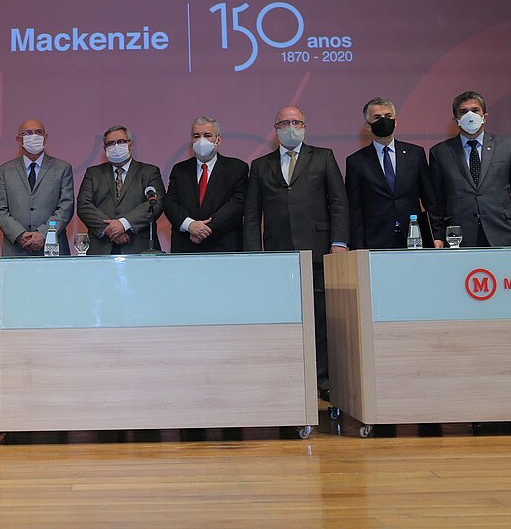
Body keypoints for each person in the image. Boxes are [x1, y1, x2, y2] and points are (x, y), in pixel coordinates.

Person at [243, 106, 348, 399]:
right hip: (277, 256)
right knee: (283, 318)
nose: (291, 127)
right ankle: (286, 378)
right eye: (285, 123)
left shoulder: (324, 157)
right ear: (275, 128)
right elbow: (252, 214)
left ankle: (322, 380)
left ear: (304, 126)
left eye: (296, 122)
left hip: (317, 251)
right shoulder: (260, 165)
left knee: (320, 319)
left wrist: (339, 241)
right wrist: (254, 255)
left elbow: (338, 202)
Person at [429, 91, 511, 247]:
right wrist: (437, 236)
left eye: (475, 110)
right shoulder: (440, 152)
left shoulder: (507, 147)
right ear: (456, 120)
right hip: (459, 235)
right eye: (463, 112)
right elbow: (436, 201)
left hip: (502, 230)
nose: (470, 115)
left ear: (484, 117)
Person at [345, 97, 439, 249]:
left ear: (395, 121)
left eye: (388, 116)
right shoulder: (356, 161)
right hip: (375, 241)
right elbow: (354, 210)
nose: (384, 121)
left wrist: (437, 235)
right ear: (368, 126)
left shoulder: (415, 154)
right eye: (377, 117)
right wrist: (358, 247)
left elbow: (430, 200)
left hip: (413, 237)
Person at [164, 116, 248, 253]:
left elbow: (237, 204)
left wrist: (203, 229)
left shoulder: (236, 168)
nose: (201, 140)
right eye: (196, 136)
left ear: (218, 140)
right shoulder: (179, 170)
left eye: (207, 135)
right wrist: (189, 225)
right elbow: (170, 203)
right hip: (185, 247)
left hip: (224, 246)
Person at [77, 125, 165, 254]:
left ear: (131, 145)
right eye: (111, 143)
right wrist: (111, 229)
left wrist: (124, 224)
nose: (116, 146)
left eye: (121, 142)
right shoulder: (93, 173)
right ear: (104, 149)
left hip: (139, 246)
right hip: (101, 247)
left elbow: (155, 203)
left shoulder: (149, 172)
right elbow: (84, 205)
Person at [0, 119, 75, 256]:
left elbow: (66, 207)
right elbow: (0, 209)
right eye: (28, 133)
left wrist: (43, 234)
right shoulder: (5, 170)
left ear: (45, 138)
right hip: (16, 249)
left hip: (53, 248)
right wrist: (20, 234)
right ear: (19, 139)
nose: (34, 136)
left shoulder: (62, 168)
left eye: (39, 132)